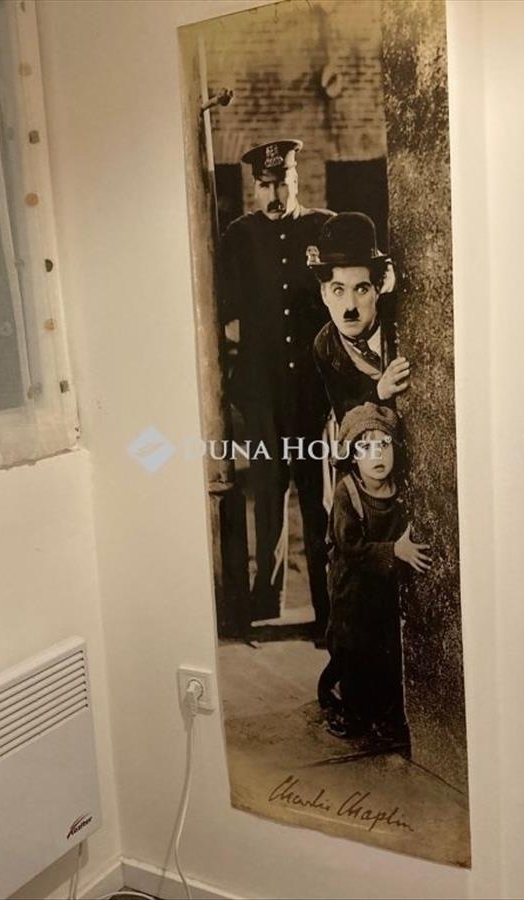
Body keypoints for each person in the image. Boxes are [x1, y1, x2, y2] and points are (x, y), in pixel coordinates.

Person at [219, 139, 333, 637]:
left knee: (318, 502)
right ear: (254, 188)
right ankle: (266, 606)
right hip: (262, 394)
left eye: (281, 184)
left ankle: (329, 612)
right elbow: (224, 306)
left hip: (310, 394)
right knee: (267, 498)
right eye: (264, 186)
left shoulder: (322, 228)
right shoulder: (240, 237)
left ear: (295, 180)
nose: (273, 195)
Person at [321, 402, 430, 741]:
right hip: (351, 591)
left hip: (381, 591)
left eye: (384, 444)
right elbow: (350, 548)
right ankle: (346, 707)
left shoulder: (399, 490)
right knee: (350, 651)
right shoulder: (348, 493)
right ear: (353, 457)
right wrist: (394, 551)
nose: (377, 454)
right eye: (365, 447)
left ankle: (383, 714)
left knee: (383, 652)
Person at [308, 212, 409, 423]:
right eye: (338, 290)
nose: (350, 307)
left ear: (378, 288)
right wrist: (379, 392)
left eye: (361, 289)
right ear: (324, 294)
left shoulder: (400, 323)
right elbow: (345, 411)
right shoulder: (326, 345)